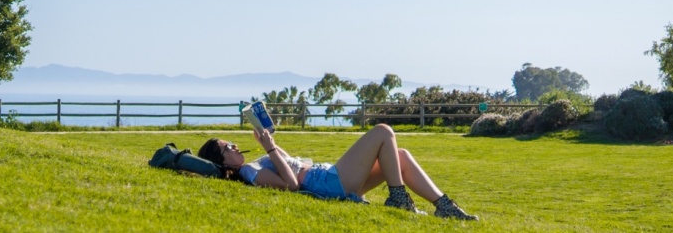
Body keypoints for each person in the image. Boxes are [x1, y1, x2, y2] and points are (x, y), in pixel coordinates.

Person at [197, 123, 478, 220]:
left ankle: (444, 206)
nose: (235, 146)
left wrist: (270, 143)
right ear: (224, 162)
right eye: (227, 147)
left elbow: (289, 162)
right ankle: (398, 198)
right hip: (327, 183)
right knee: (382, 132)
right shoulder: (248, 171)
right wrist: (270, 151)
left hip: (329, 176)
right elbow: (292, 185)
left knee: (400, 155)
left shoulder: (254, 161)